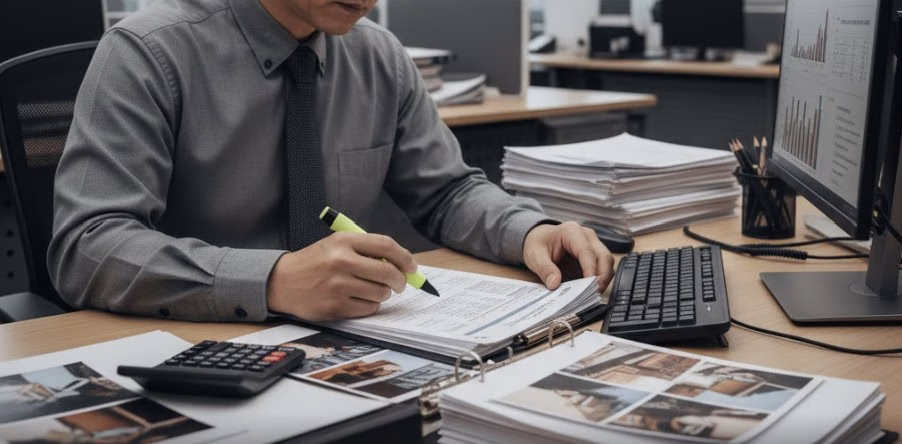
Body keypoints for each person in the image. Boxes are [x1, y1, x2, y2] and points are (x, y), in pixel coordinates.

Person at [48, 0, 614, 323]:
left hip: (354, 347)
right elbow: (87, 244)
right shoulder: (149, 51)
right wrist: (270, 280)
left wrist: (529, 231)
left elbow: (447, 192)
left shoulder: (379, 57)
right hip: (200, 347)